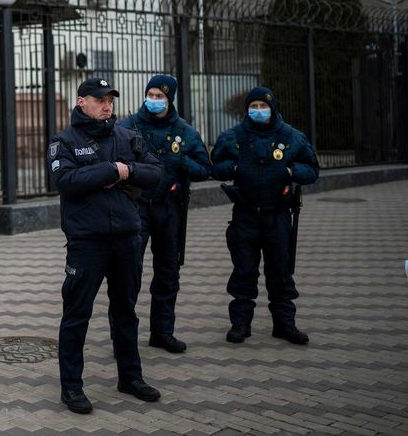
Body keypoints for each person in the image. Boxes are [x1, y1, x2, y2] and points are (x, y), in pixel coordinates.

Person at [49, 77, 163, 414]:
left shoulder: (127, 136)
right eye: (99, 99)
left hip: (127, 238)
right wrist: (110, 169)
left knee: (126, 311)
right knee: (76, 314)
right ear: (81, 101)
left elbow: (156, 173)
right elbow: (66, 181)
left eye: (110, 99)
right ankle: (71, 387)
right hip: (88, 243)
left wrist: (126, 170)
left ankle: (130, 377)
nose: (107, 105)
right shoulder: (64, 141)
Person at [211, 87, 319, 345]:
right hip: (245, 215)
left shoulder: (291, 136)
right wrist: (234, 167)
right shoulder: (233, 136)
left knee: (280, 272)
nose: (258, 111)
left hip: (278, 215)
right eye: (253, 106)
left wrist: (292, 171)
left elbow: (312, 169)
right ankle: (240, 324)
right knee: (243, 271)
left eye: (263, 106)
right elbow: (214, 166)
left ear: (272, 108)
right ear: (247, 109)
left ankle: (284, 324)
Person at [118, 75, 211, 354]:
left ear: (170, 99)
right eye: (151, 94)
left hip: (169, 209)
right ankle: (123, 337)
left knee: (168, 272)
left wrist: (182, 161)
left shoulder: (184, 132)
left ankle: (162, 332)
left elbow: (205, 168)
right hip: (136, 207)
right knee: (128, 271)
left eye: (160, 96)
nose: (155, 100)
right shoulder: (128, 126)